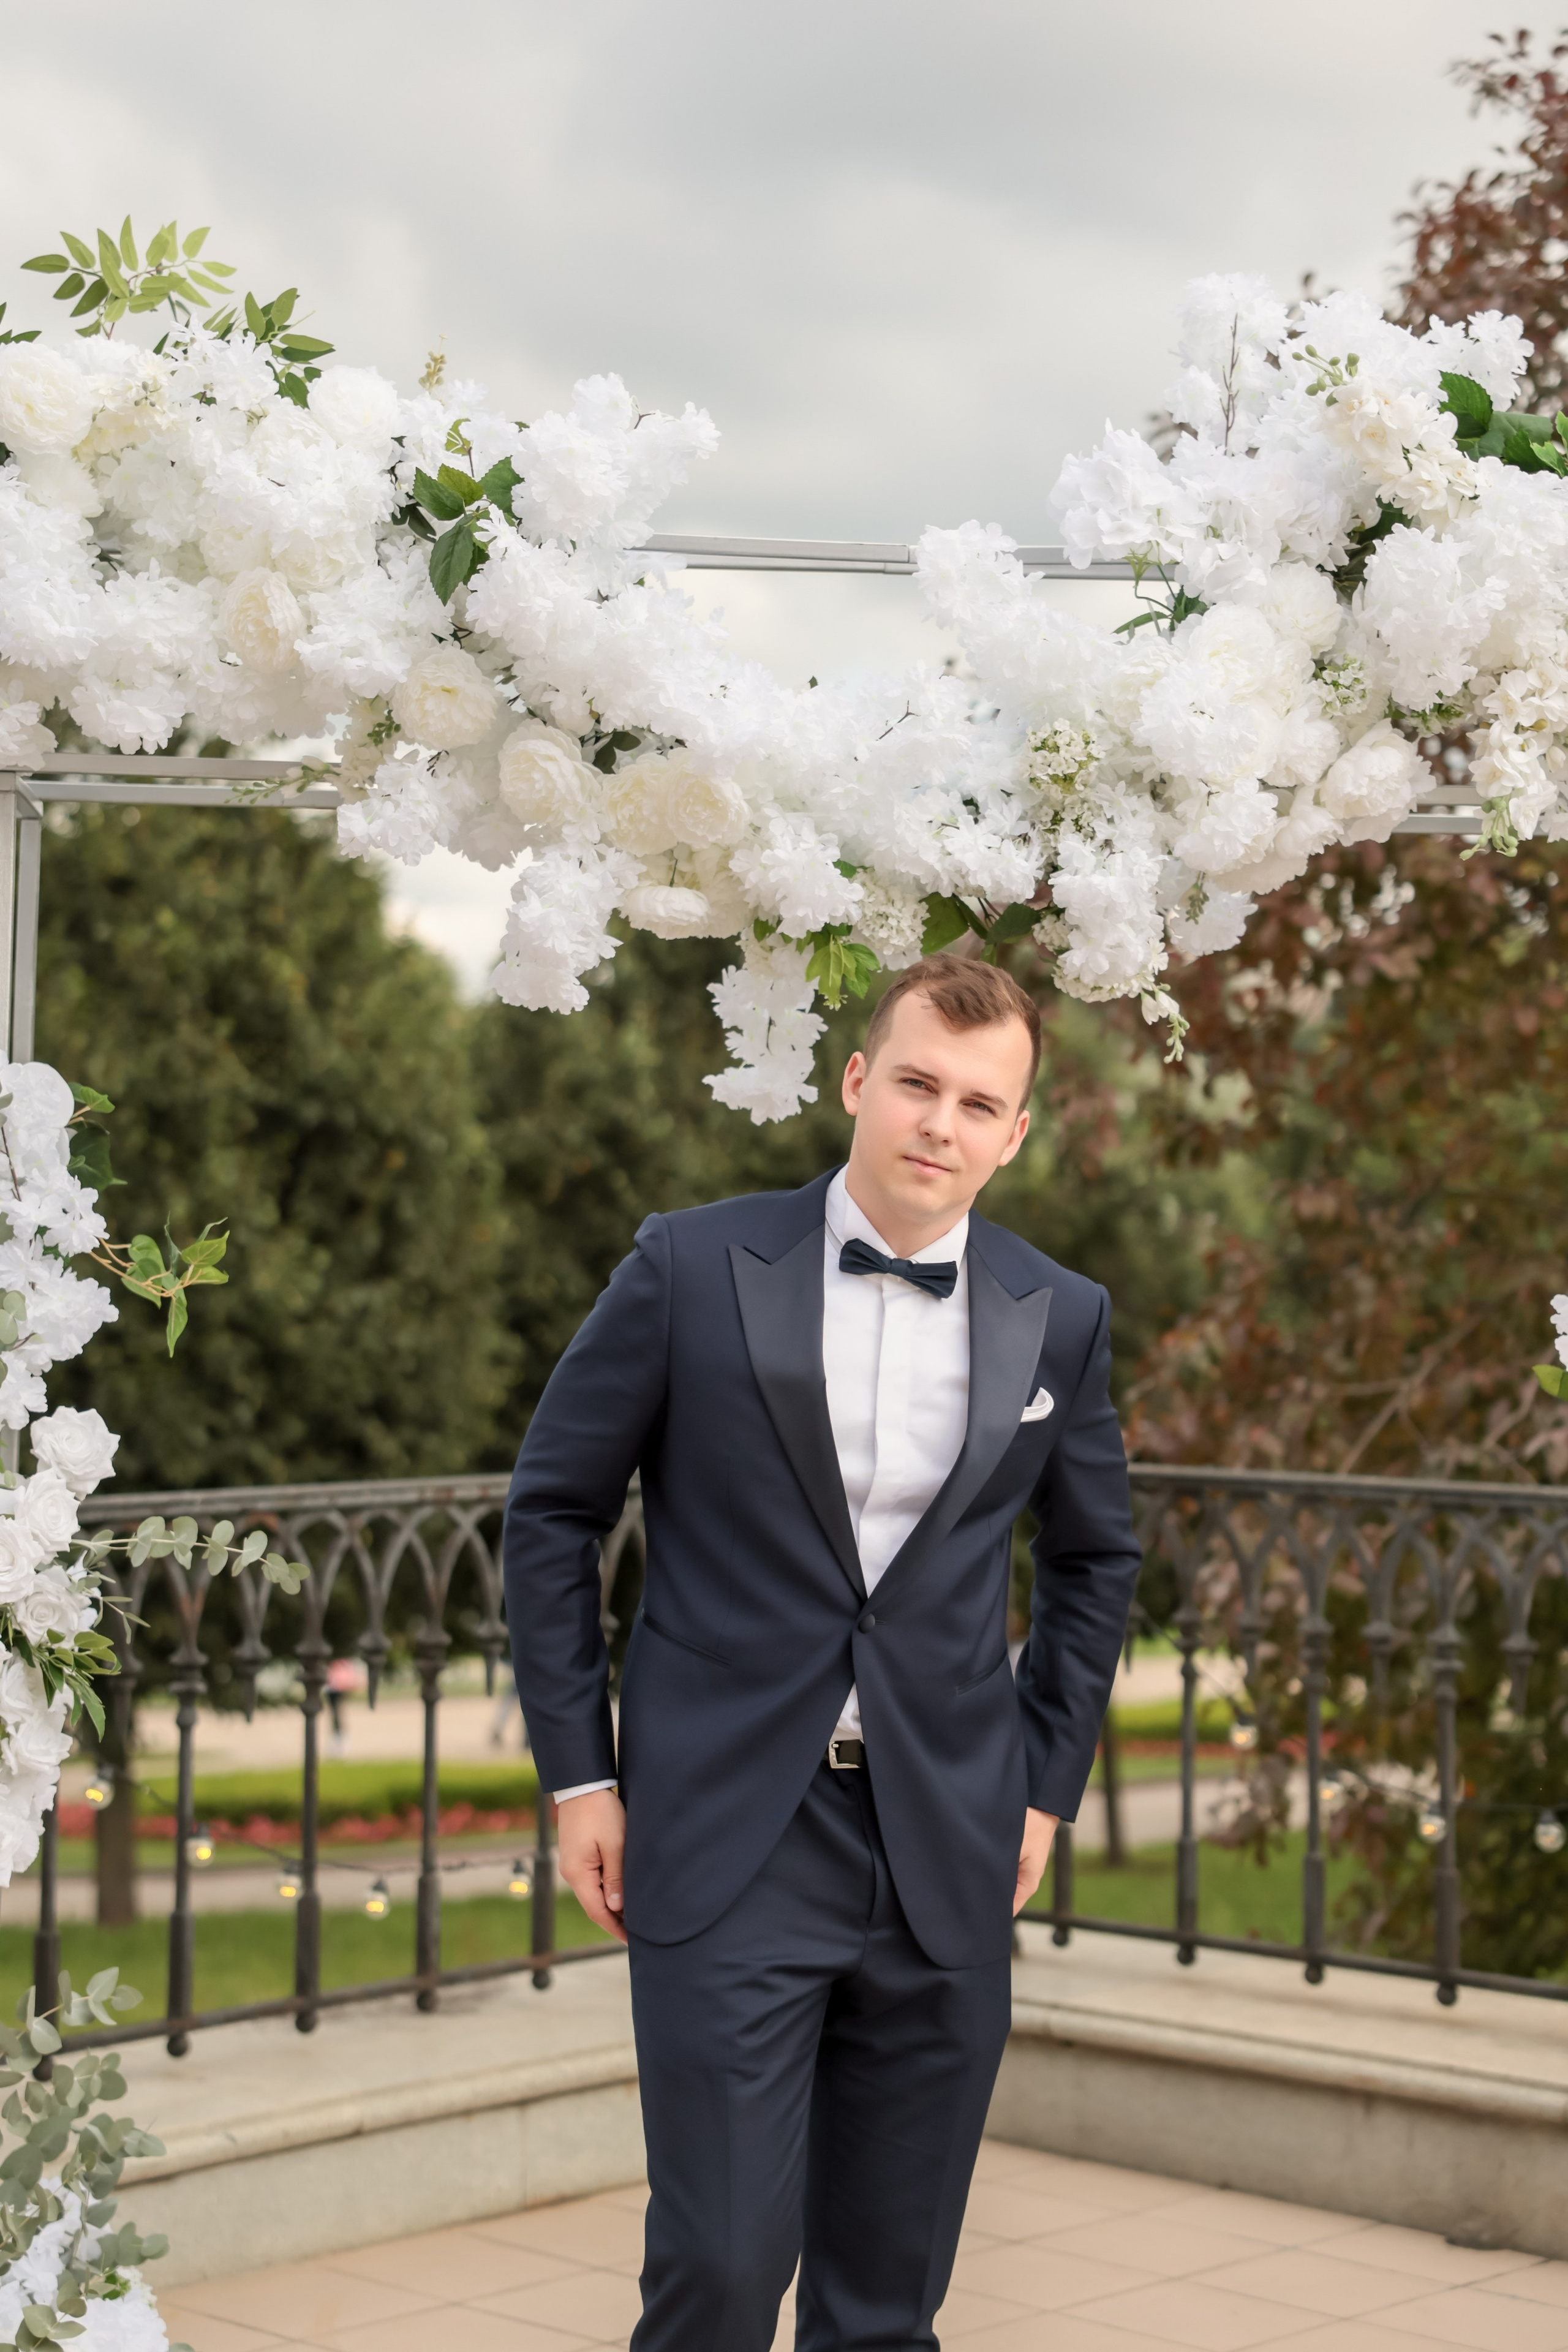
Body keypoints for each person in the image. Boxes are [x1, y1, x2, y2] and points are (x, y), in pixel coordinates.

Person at [504, 952, 1140, 2352]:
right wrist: (579, 1779)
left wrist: (1041, 1786)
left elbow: (1094, 1562)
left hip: (946, 1843)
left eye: (980, 1104)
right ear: (857, 1081)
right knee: (721, 2275)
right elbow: (551, 1512)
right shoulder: (689, 1263)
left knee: (883, 2302)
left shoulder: (1062, 1315)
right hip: (732, 1829)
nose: (940, 1124)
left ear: (1014, 1134)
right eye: (916, 1083)